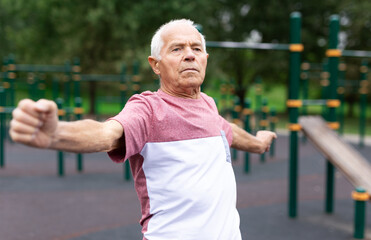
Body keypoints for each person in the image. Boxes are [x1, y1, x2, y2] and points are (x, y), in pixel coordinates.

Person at [9, 19, 277, 240]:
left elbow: (225, 130)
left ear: (205, 58)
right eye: (177, 49)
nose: (189, 54)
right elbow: (106, 134)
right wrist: (57, 134)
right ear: (155, 65)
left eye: (196, 48)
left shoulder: (208, 104)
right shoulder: (148, 109)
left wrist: (258, 143)